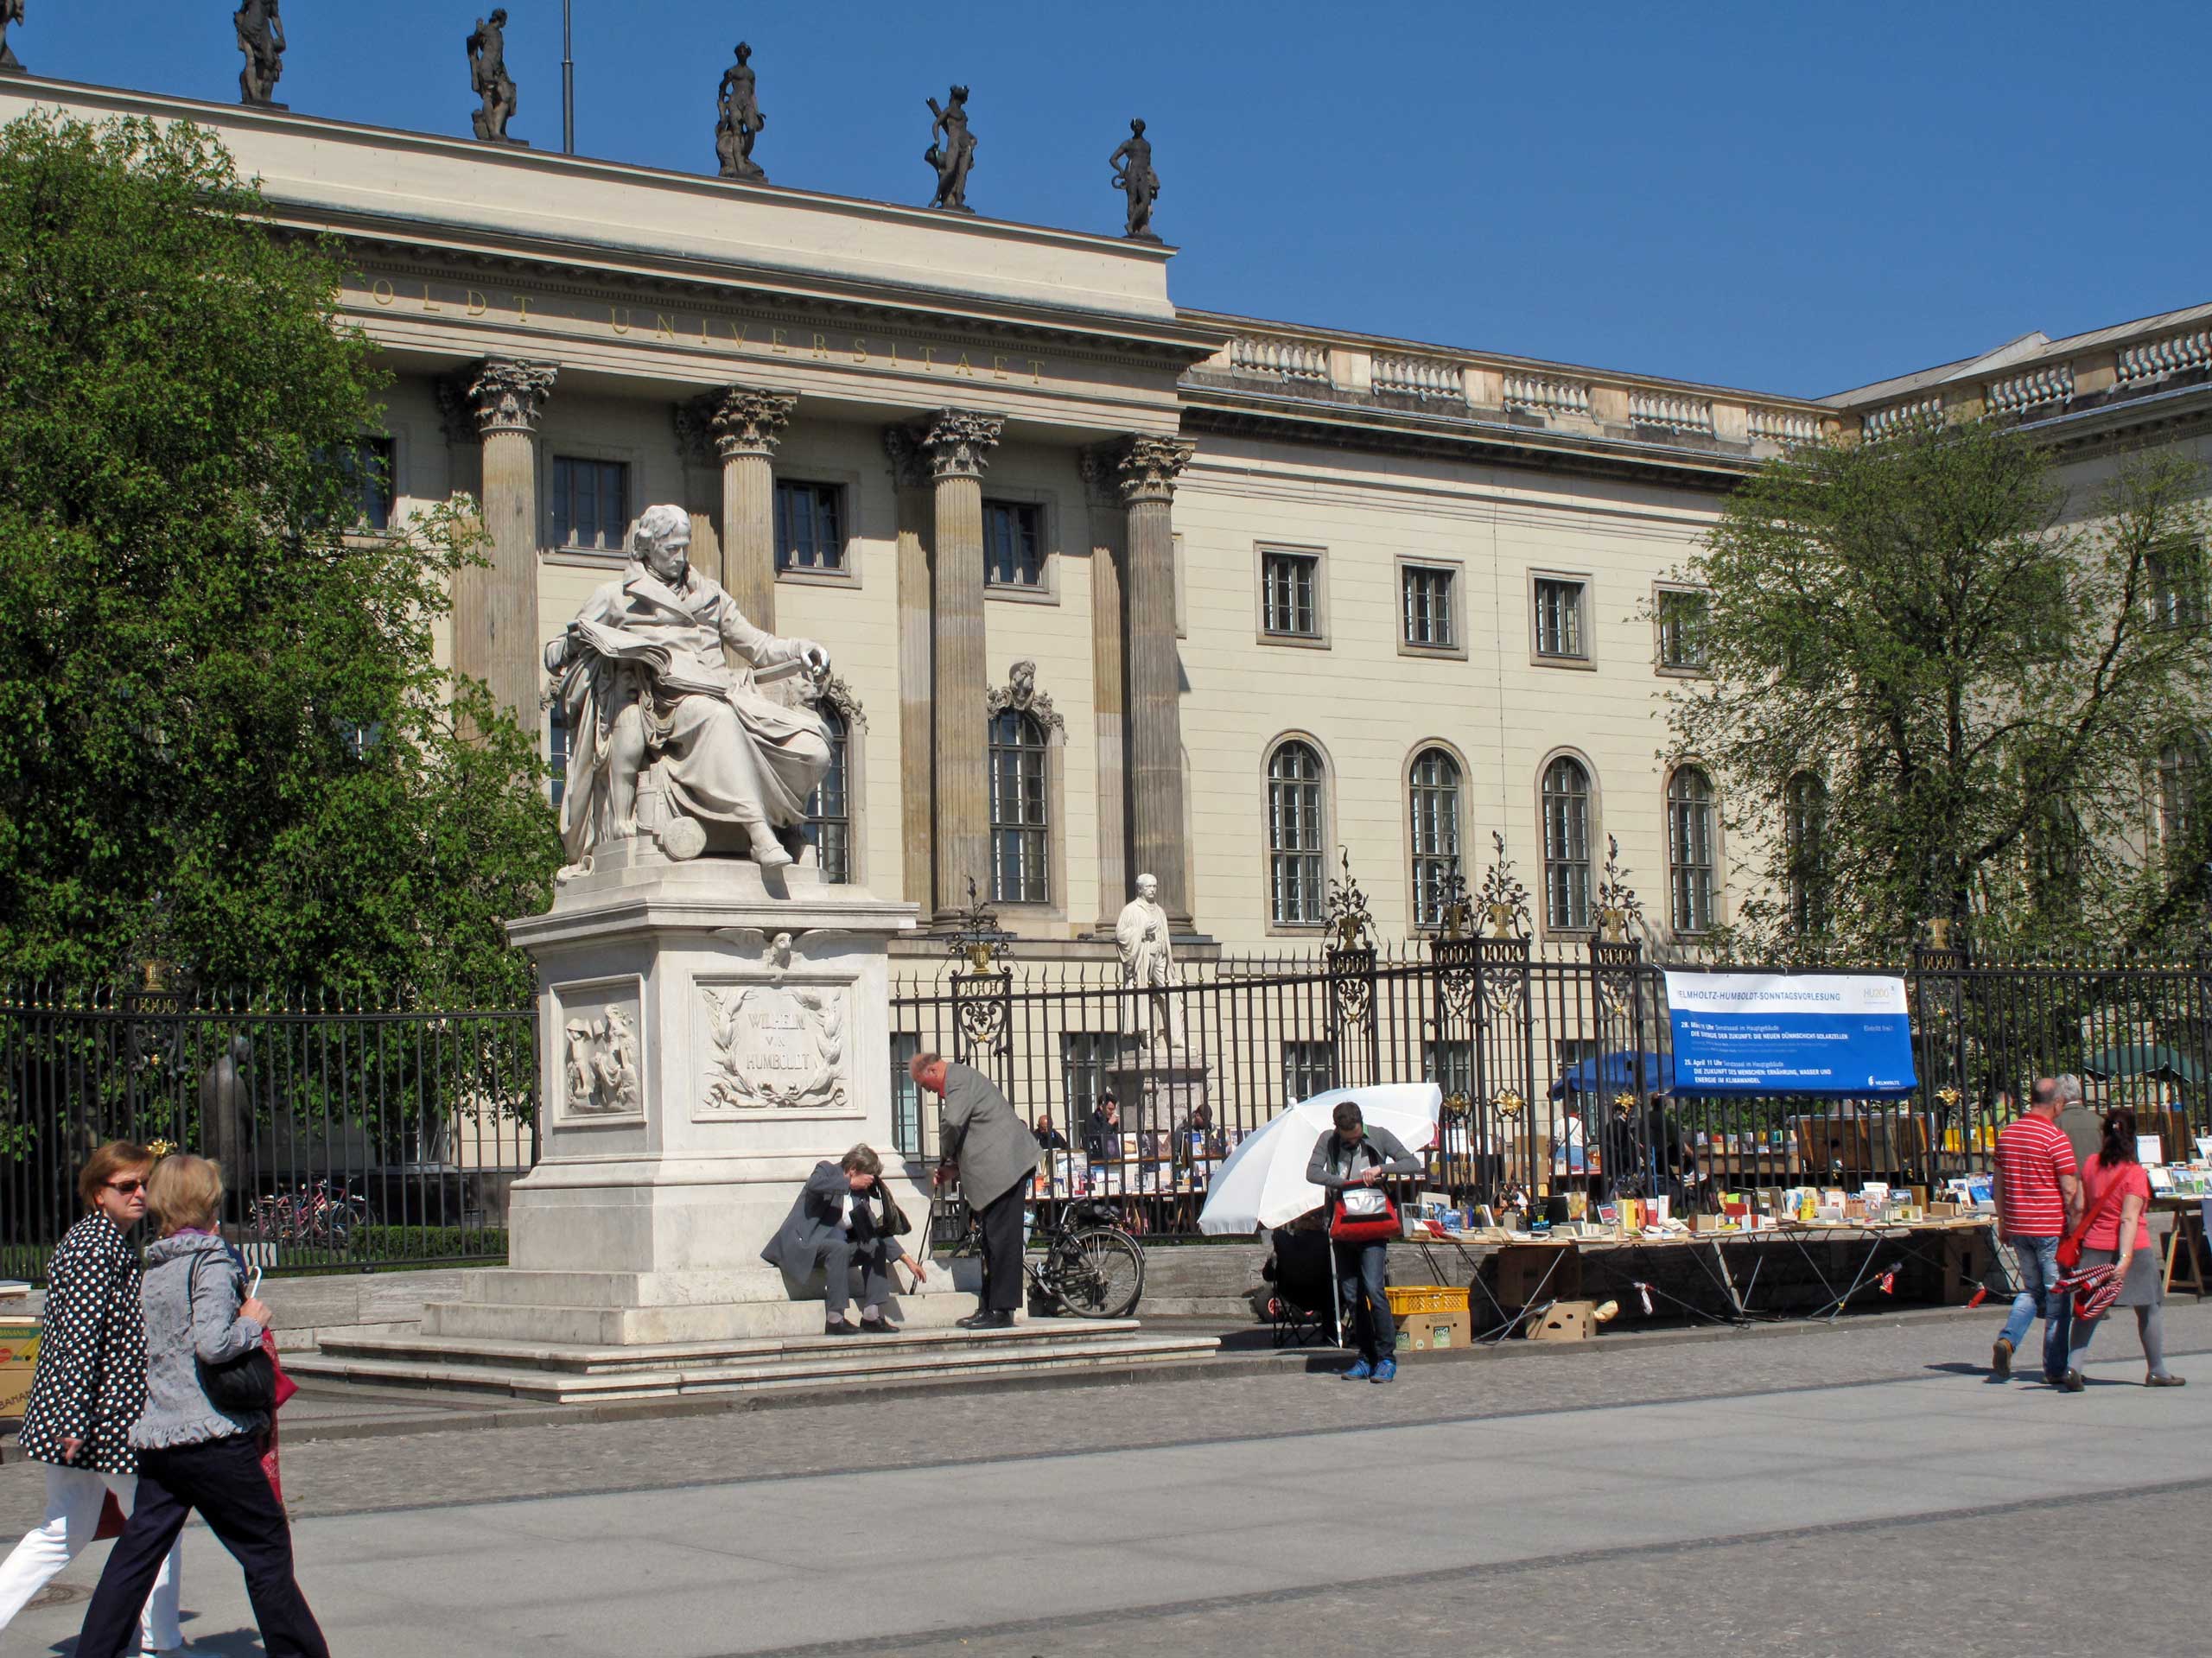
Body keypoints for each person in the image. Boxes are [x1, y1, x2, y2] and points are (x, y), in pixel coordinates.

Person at [77, 1154, 329, 1658]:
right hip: (213, 1435)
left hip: (162, 1436)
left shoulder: (156, 1264)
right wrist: (252, 1319)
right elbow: (214, 1344)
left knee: (137, 1555)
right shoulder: (211, 1258)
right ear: (207, 1199)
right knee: (266, 1548)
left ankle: (95, 1651)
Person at [545, 504, 832, 874]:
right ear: (647, 547)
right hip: (663, 703)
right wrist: (576, 641)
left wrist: (799, 648)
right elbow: (554, 654)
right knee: (716, 718)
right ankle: (759, 833)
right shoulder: (616, 596)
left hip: (725, 690)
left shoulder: (709, 593)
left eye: (684, 547)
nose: (680, 558)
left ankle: (788, 826)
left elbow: (756, 645)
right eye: (671, 549)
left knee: (811, 745)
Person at [0, 1144, 182, 1654]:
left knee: (62, 1528)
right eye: (127, 1186)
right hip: (105, 1418)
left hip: (89, 1416)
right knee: (155, 1522)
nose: (140, 1193)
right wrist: (74, 1420)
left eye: (144, 1183)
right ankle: (161, 1640)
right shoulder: (95, 1247)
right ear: (98, 1192)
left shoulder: (104, 1243)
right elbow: (80, 1340)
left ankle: (161, 1637)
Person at [2060, 1108, 2185, 1392]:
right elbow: (2128, 1218)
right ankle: (2157, 1370)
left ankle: (2073, 1366)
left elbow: (2079, 1207)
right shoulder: (2135, 1173)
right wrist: (2125, 1258)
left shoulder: (2091, 1164)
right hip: (2134, 1249)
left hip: (2094, 1245)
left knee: (2087, 1309)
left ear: (2104, 1135)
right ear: (2133, 1137)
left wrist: (2075, 1239)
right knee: (2148, 1308)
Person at [915, 1052, 1033, 1331]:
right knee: (992, 1240)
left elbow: (953, 1122)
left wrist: (944, 1155)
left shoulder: (958, 1080)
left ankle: (1002, 1310)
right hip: (998, 1171)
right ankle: (990, 1306)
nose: (928, 1091)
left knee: (1003, 1241)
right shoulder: (961, 1081)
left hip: (1007, 1169)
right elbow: (977, 1134)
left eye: (925, 1084)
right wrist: (953, 1167)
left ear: (933, 1070)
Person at [1306, 1100, 1421, 1383]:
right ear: (1338, 1131)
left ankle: (1386, 1357)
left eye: (1357, 1137)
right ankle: (1365, 1356)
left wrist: (1381, 1169)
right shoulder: (1328, 1141)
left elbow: (1412, 1162)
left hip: (1373, 1225)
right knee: (1352, 1294)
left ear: (1362, 1125)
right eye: (1349, 1139)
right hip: (1344, 1225)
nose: (1353, 1142)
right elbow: (1312, 1172)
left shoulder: (1379, 1135)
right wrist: (1345, 1183)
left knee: (1374, 1289)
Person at [760, 1145, 925, 1336]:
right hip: (808, 1245)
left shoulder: (860, 1195)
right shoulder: (826, 1170)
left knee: (874, 1245)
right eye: (868, 1177)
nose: (869, 1184)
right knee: (839, 1248)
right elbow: (815, 1185)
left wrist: (907, 1260)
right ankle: (835, 1319)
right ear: (854, 1169)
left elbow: (872, 1230)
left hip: (838, 1250)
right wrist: (848, 1183)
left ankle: (872, 1316)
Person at [1990, 1076, 2082, 1382]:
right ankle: (2054, 1368)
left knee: (2030, 1290)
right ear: (2057, 1103)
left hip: (2018, 1225)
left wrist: (2003, 1221)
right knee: (2057, 1298)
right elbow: (2070, 1191)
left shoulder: (2008, 1135)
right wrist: (2076, 1227)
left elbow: (1999, 1184)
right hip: (2050, 1227)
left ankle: (2008, 1340)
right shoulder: (2055, 1138)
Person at [2052, 1073, 2101, 1173]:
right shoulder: (2099, 1121)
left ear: (2058, 1096)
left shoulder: (2054, 1124)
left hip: (2068, 1182)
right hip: (2096, 1182)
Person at [1084, 1092, 1122, 1161]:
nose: (1112, 1112)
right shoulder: (1091, 1120)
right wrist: (1109, 1124)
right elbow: (1096, 1138)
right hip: (1096, 1158)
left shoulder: (1112, 1120)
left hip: (1112, 1157)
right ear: (1102, 1107)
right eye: (1110, 1109)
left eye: (1114, 1109)